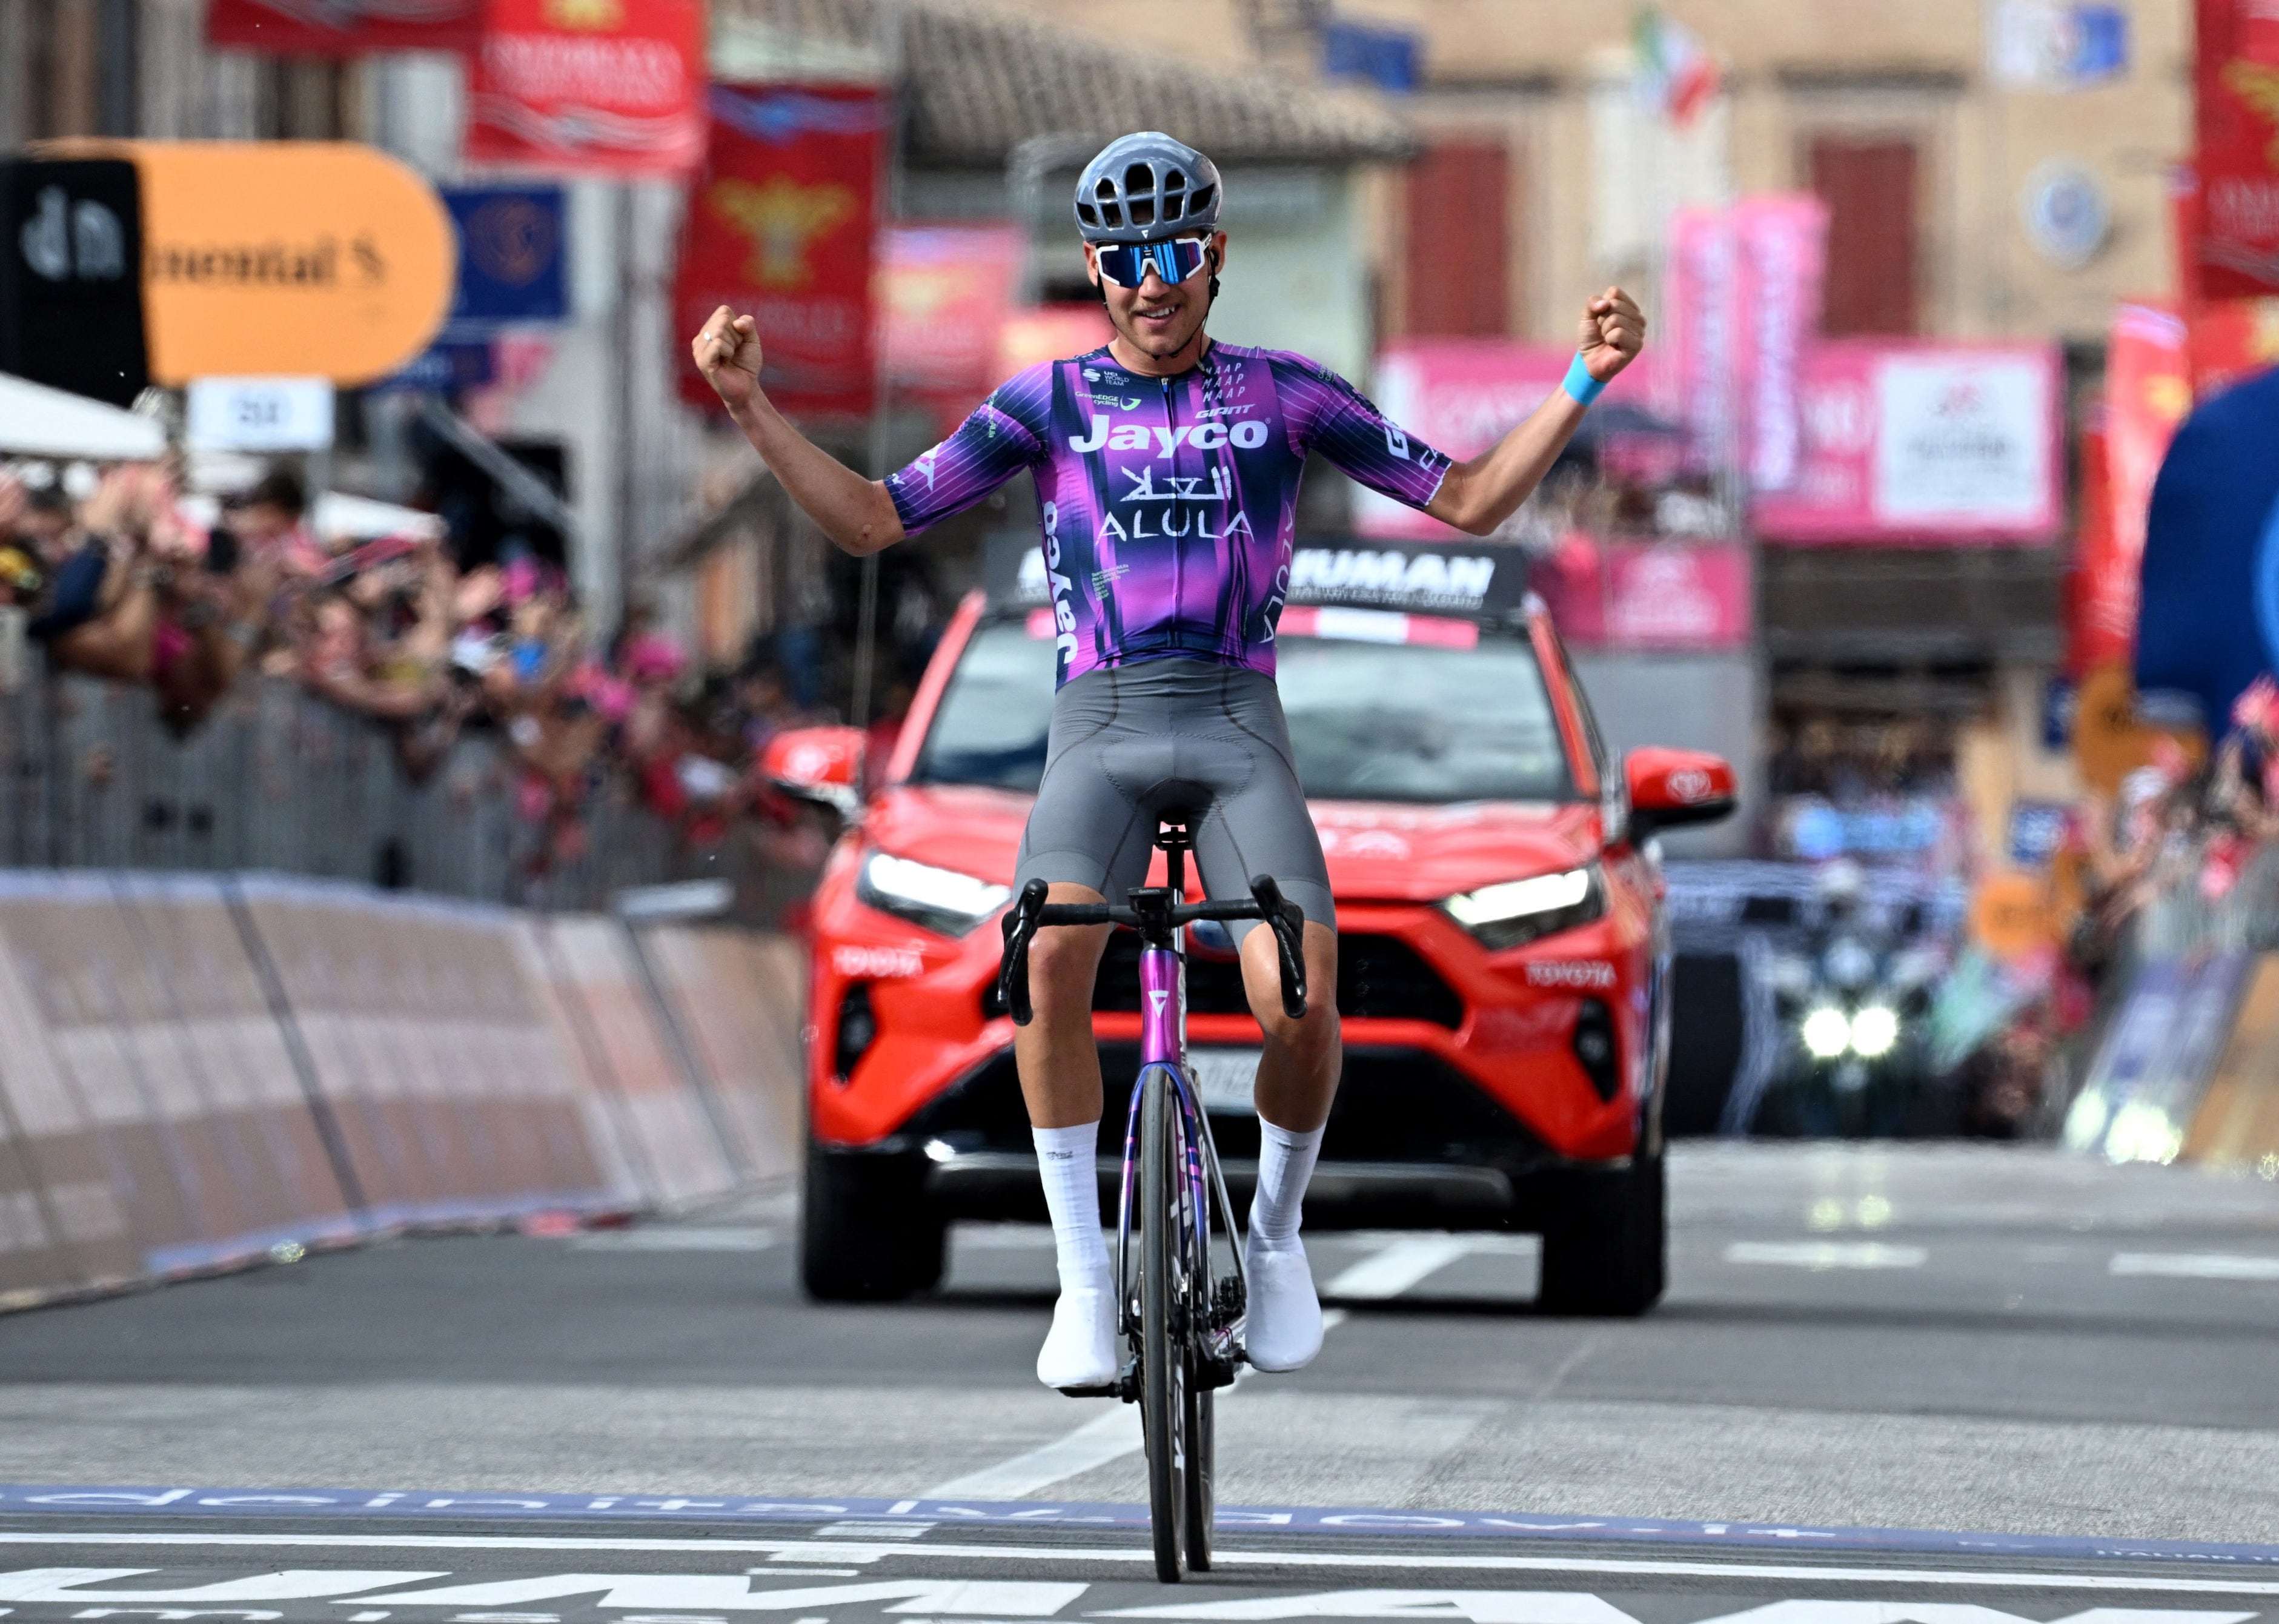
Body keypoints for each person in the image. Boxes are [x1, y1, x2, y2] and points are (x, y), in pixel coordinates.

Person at [693, 130, 1642, 1390]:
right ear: (1095, 266)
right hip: (1101, 724)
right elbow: (874, 517)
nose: (1154, 280)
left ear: (1216, 256)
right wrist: (752, 406)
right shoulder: (1047, 403)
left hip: (1239, 722)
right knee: (1045, 970)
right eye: (1127, 257)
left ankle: (1276, 1236)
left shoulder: (1287, 393)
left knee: (1302, 993)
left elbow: (1465, 502)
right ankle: (1087, 1285)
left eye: (1177, 252)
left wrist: (1582, 377)